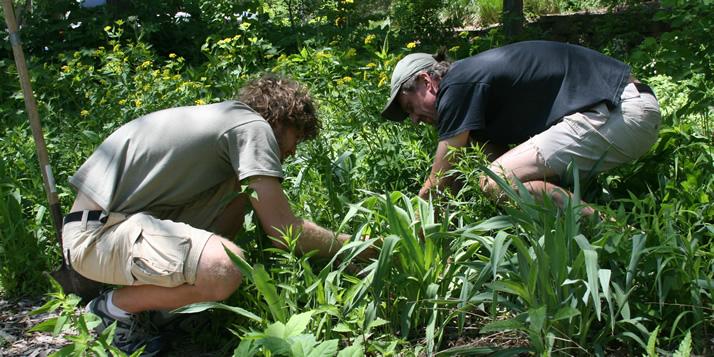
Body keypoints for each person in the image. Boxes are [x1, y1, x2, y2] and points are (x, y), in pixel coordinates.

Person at [62, 74, 369, 355]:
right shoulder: (253, 127)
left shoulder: (223, 126)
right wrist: (360, 247)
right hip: (96, 238)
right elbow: (283, 230)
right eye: (297, 139)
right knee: (224, 268)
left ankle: (153, 306)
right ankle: (113, 310)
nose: (292, 153)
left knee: (242, 195)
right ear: (283, 119)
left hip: (109, 228)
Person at [381, 40, 661, 215]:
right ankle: (574, 235)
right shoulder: (472, 94)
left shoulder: (456, 86)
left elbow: (437, 185)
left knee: (494, 181)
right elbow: (464, 170)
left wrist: (409, 221)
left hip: (621, 111)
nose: (415, 120)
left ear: (426, 81)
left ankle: (613, 235)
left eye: (410, 108)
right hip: (622, 111)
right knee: (500, 176)